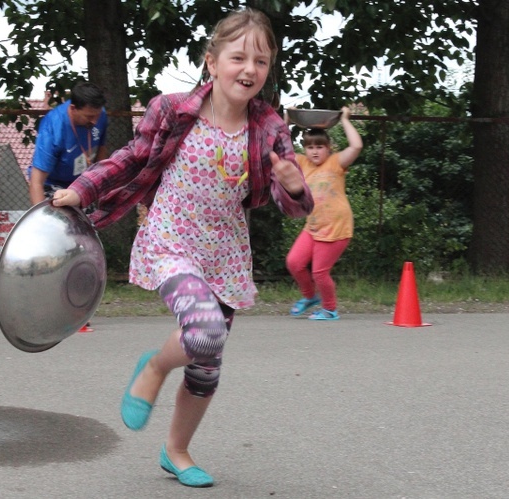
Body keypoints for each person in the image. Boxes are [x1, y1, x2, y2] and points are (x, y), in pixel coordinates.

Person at [52, 8, 313, 488]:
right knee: (204, 328)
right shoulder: (172, 109)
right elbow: (131, 159)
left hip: (226, 250)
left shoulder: (270, 126)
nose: (250, 69)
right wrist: (83, 189)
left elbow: (289, 205)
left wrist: (294, 187)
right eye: (238, 57)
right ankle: (153, 367)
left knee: (208, 362)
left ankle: (176, 450)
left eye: (261, 60)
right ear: (212, 62)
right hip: (171, 238)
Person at [29, 80, 108, 333]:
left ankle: (78, 308)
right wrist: (41, 223)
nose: (94, 121)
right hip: (53, 185)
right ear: (72, 109)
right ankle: (50, 308)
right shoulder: (53, 126)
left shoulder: (99, 116)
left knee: (84, 246)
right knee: (61, 246)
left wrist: (103, 185)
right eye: (88, 116)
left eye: (96, 116)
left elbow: (102, 154)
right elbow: (36, 181)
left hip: (82, 183)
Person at [285, 107, 363, 320]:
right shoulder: (302, 163)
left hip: (337, 227)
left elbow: (356, 146)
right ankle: (310, 297)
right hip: (313, 226)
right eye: (310, 147)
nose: (315, 151)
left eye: (320, 146)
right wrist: (286, 121)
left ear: (329, 148)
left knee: (319, 272)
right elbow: (279, 148)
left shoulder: (336, 162)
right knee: (294, 262)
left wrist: (345, 119)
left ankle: (330, 309)